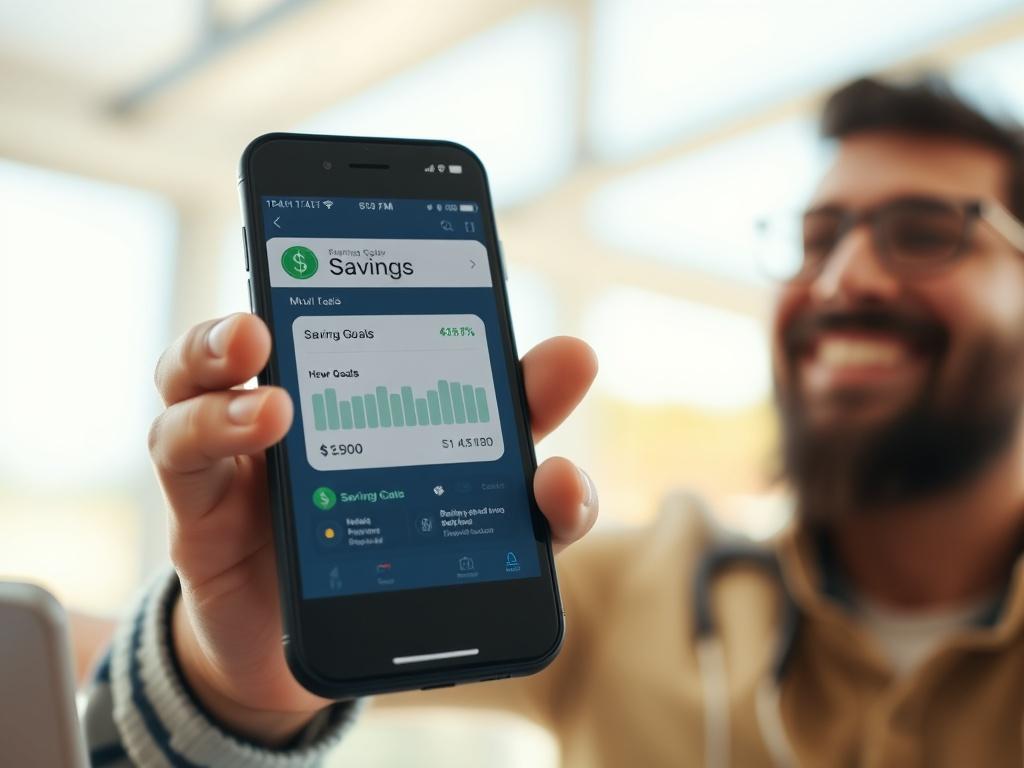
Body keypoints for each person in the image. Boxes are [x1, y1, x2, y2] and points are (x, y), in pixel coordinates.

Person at [81, 75, 1024, 767]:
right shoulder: (622, 592)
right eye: (817, 239)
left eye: (923, 232)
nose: (842, 278)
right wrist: (227, 681)